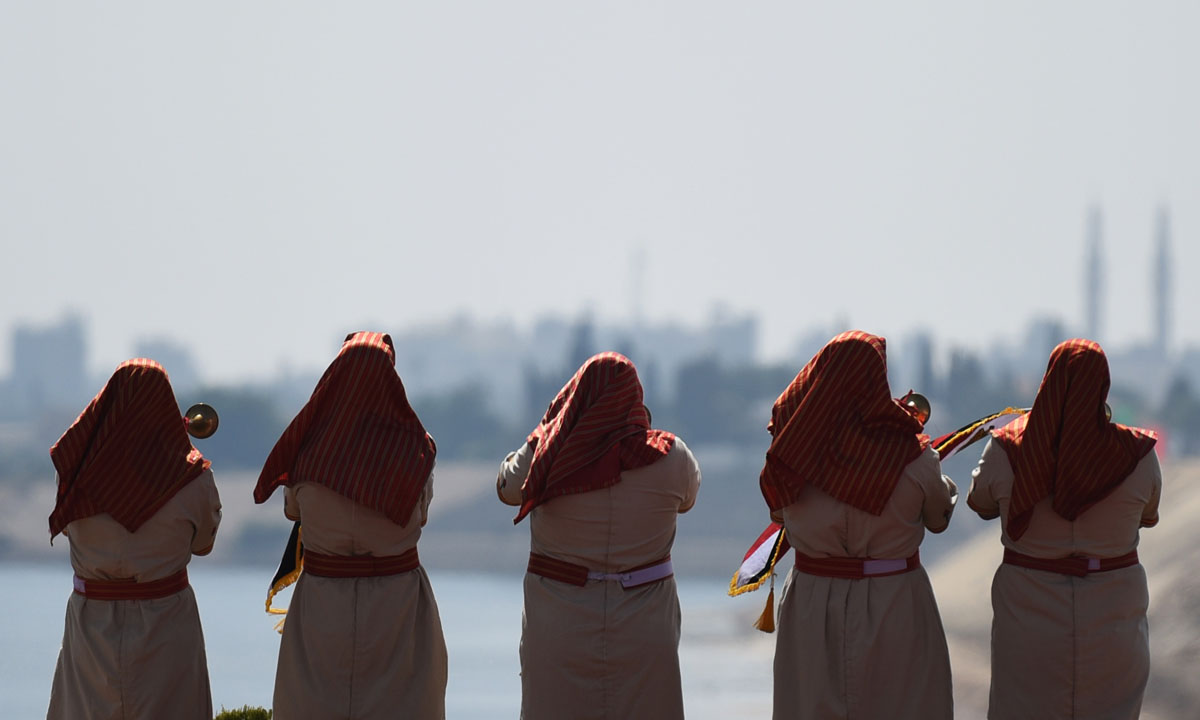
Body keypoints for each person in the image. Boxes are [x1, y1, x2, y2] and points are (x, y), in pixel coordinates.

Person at [760, 331, 955, 720]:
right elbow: (938, 519)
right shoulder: (915, 458)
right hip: (895, 602)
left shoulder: (790, 455)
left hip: (813, 606)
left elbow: (780, 513)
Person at [496, 351, 701, 720]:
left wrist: (545, 430)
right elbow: (689, 497)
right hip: (644, 626)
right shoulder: (671, 458)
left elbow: (508, 487)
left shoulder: (548, 454)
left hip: (561, 624)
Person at [254, 331, 447, 720]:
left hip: (323, 606)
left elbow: (293, 511)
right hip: (398, 607)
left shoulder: (308, 452)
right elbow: (420, 514)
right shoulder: (417, 452)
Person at [968, 338, 1160, 720]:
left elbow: (980, 502)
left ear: (1049, 382)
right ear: (1103, 385)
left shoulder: (1007, 449)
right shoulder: (1138, 455)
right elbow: (1148, 514)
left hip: (1028, 623)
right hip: (1113, 624)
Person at [46, 358, 221, 720]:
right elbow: (203, 545)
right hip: (166, 624)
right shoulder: (193, 479)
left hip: (92, 626)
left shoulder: (77, 476)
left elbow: (67, 527)